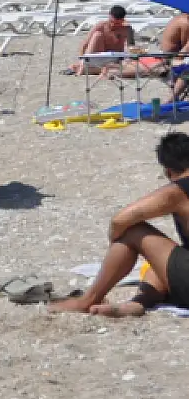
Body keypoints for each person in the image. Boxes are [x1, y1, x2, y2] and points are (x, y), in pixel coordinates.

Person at [50, 133, 189, 316]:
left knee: (132, 230)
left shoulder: (178, 191)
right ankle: (137, 304)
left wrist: (118, 247)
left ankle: (87, 300)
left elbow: (120, 220)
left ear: (168, 171)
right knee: (160, 263)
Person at [70, 6, 136, 75]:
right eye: (111, 22)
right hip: (99, 57)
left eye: (117, 24)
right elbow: (84, 44)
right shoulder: (101, 26)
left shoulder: (127, 29)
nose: (113, 25)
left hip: (115, 59)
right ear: (109, 16)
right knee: (97, 35)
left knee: (130, 64)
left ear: (123, 20)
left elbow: (132, 48)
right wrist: (81, 61)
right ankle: (86, 66)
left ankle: (93, 69)